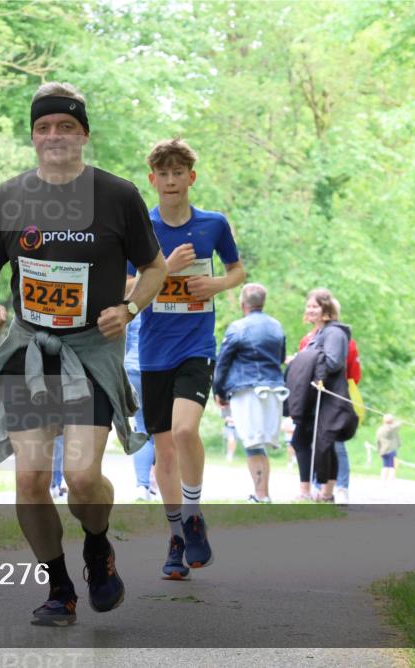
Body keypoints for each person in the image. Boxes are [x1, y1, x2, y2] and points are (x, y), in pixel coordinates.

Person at [0, 82, 168, 627]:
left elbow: (156, 267)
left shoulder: (117, 196)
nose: (55, 137)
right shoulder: (10, 196)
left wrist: (131, 308)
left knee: (82, 476)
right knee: (29, 478)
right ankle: (59, 587)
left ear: (84, 134)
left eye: (66, 126)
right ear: (32, 136)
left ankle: (98, 545)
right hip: (31, 349)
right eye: (45, 127)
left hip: (90, 351)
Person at [127, 138, 246, 578]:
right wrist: (165, 271)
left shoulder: (213, 224)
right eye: (164, 173)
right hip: (154, 352)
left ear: (191, 178)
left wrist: (217, 285)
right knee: (164, 454)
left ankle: (194, 515)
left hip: (196, 347)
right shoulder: (143, 229)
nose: (172, 180)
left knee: (184, 429)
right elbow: (124, 289)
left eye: (180, 173)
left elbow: (237, 271)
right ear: (152, 180)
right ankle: (176, 536)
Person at [212, 283, 287, 504]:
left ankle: (261, 495)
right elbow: (281, 358)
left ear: (243, 303)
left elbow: (223, 362)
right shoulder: (276, 326)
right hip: (274, 389)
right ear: (262, 302)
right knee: (260, 444)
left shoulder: (238, 327)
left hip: (247, 390)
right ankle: (263, 493)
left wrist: (219, 391)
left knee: (252, 444)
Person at [285, 288, 358, 502]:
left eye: (315, 306)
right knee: (300, 441)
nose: (310, 310)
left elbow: (334, 362)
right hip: (310, 397)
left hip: (328, 396)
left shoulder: (335, 332)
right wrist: (299, 360)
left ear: (326, 308)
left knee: (325, 444)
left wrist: (304, 360)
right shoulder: (314, 335)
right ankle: (306, 491)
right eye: (308, 306)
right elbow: (316, 358)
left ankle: (327, 493)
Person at [125, 313, 157, 501]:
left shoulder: (136, 303)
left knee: (143, 428)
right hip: (159, 368)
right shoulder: (168, 300)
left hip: (133, 369)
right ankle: (157, 482)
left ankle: (142, 486)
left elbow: (125, 340)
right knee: (163, 430)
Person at [376, 413, 402, 488]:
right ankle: (390, 483)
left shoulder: (380, 429)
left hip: (383, 451)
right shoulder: (391, 429)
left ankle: (383, 482)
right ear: (392, 421)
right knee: (392, 467)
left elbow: (378, 441)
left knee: (385, 466)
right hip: (391, 450)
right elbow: (398, 425)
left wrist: (379, 450)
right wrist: (397, 421)